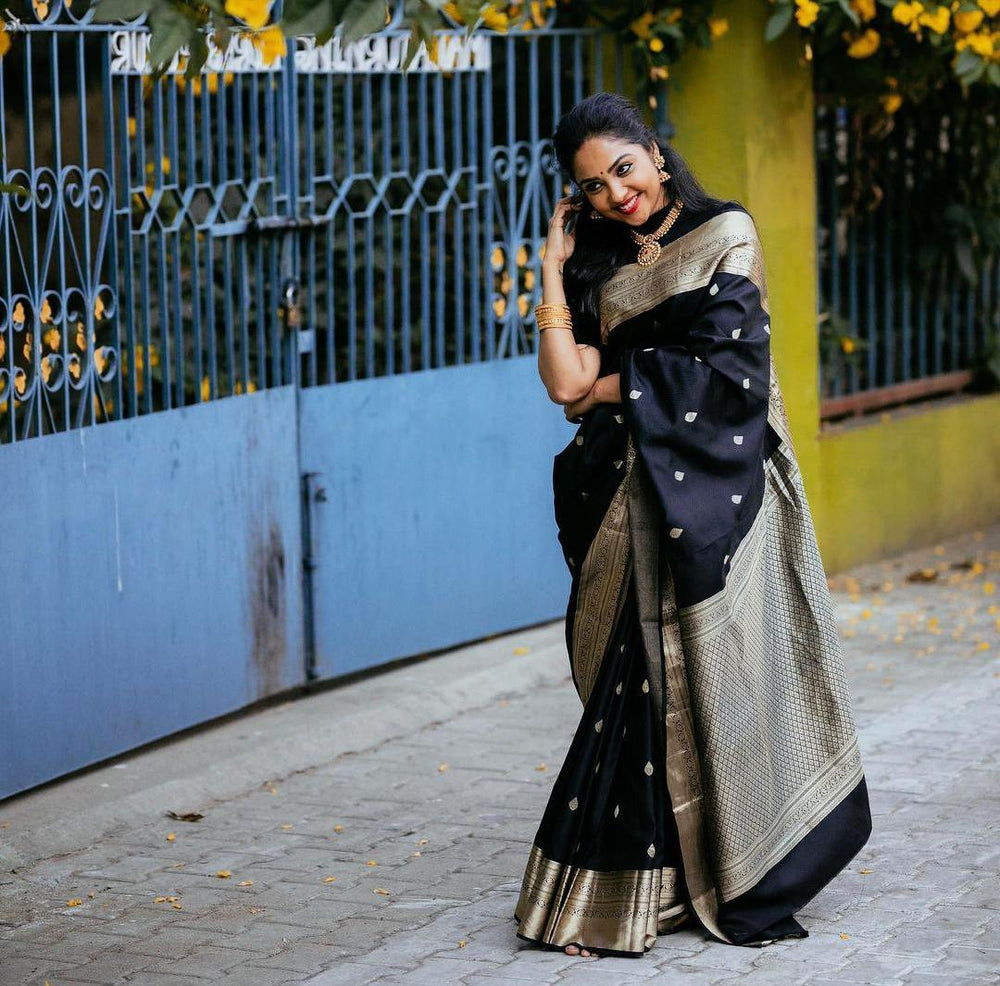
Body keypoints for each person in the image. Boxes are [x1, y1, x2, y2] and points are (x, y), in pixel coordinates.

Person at [513, 91, 872, 960]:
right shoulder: (600, 262)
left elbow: (729, 372)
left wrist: (613, 385)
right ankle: (650, 887)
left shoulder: (723, 235)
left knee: (699, 685)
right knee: (636, 689)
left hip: (715, 496)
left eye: (623, 170)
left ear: (654, 152)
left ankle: (683, 879)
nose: (616, 195)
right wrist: (554, 269)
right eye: (593, 187)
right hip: (623, 503)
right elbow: (562, 384)